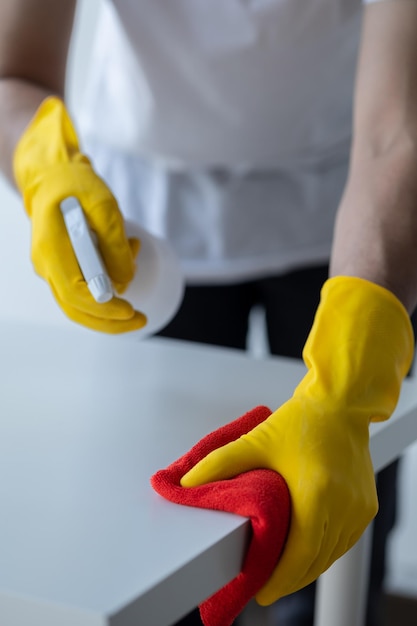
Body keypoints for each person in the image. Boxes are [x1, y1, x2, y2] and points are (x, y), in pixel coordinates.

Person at [1, 1, 417, 625]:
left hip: (347, 223)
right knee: (157, 541)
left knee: (332, 537)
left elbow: (398, 130)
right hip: (149, 231)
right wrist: (42, 165)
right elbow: (13, 72)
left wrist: (348, 388)